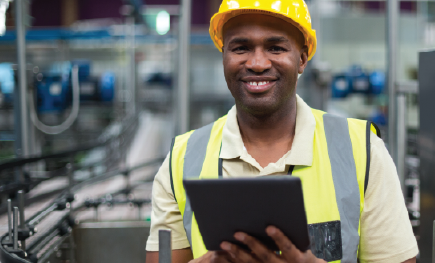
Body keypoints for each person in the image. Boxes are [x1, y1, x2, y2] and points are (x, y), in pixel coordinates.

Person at [145, 1, 418, 262]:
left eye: (275, 48)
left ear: (302, 59)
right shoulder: (182, 159)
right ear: (224, 57)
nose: (258, 63)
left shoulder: (361, 150)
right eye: (241, 48)